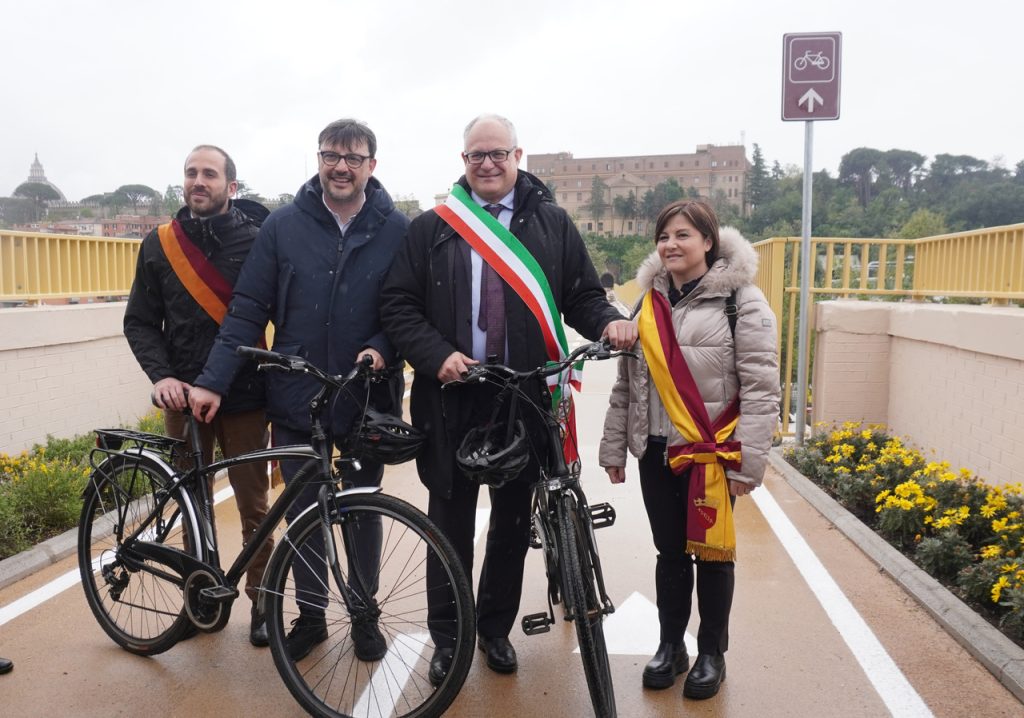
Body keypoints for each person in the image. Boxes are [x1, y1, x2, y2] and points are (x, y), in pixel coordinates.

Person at [379, 113, 637, 685]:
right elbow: (397, 305)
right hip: (452, 394)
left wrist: (610, 323)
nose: (488, 164)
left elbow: (581, 296)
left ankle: (494, 629)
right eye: (476, 156)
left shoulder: (551, 223)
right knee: (448, 517)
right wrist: (435, 354)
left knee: (513, 521)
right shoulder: (433, 228)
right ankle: (450, 637)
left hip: (524, 395)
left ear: (518, 155)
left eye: (498, 154)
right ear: (463, 162)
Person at [189, 119, 409, 663]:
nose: (341, 167)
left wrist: (381, 346)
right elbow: (247, 309)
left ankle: (364, 613)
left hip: (365, 398)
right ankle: (311, 616)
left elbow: (407, 306)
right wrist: (213, 381)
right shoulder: (284, 225)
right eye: (331, 155)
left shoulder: (397, 229)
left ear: (371, 167)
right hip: (296, 396)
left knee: (360, 510)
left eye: (353, 158)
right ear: (319, 159)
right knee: (303, 513)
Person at [599, 200, 780, 700]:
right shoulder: (646, 302)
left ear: (708, 241)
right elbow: (626, 385)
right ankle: (671, 646)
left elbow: (763, 389)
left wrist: (749, 462)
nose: (671, 245)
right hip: (657, 452)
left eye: (683, 235)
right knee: (670, 552)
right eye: (664, 237)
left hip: (711, 455)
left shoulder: (740, 302)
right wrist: (615, 446)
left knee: (714, 555)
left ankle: (711, 654)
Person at [123, 145, 273, 648]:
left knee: (256, 507)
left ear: (232, 186)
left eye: (209, 174)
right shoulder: (159, 244)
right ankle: (201, 595)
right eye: (191, 174)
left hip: (246, 395)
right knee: (193, 504)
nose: (198, 181)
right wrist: (161, 375)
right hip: (181, 399)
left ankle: (263, 603)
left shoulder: (258, 242)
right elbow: (141, 321)